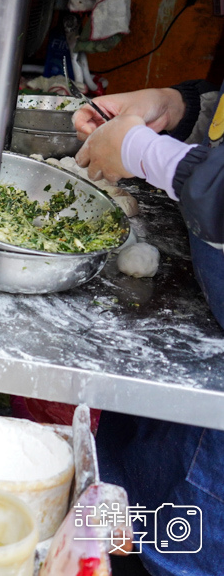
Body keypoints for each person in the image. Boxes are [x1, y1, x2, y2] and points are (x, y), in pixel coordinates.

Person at [74, 81, 223, 576]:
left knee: (182, 551)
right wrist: (178, 107)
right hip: (199, 338)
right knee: (122, 524)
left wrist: (146, 152)